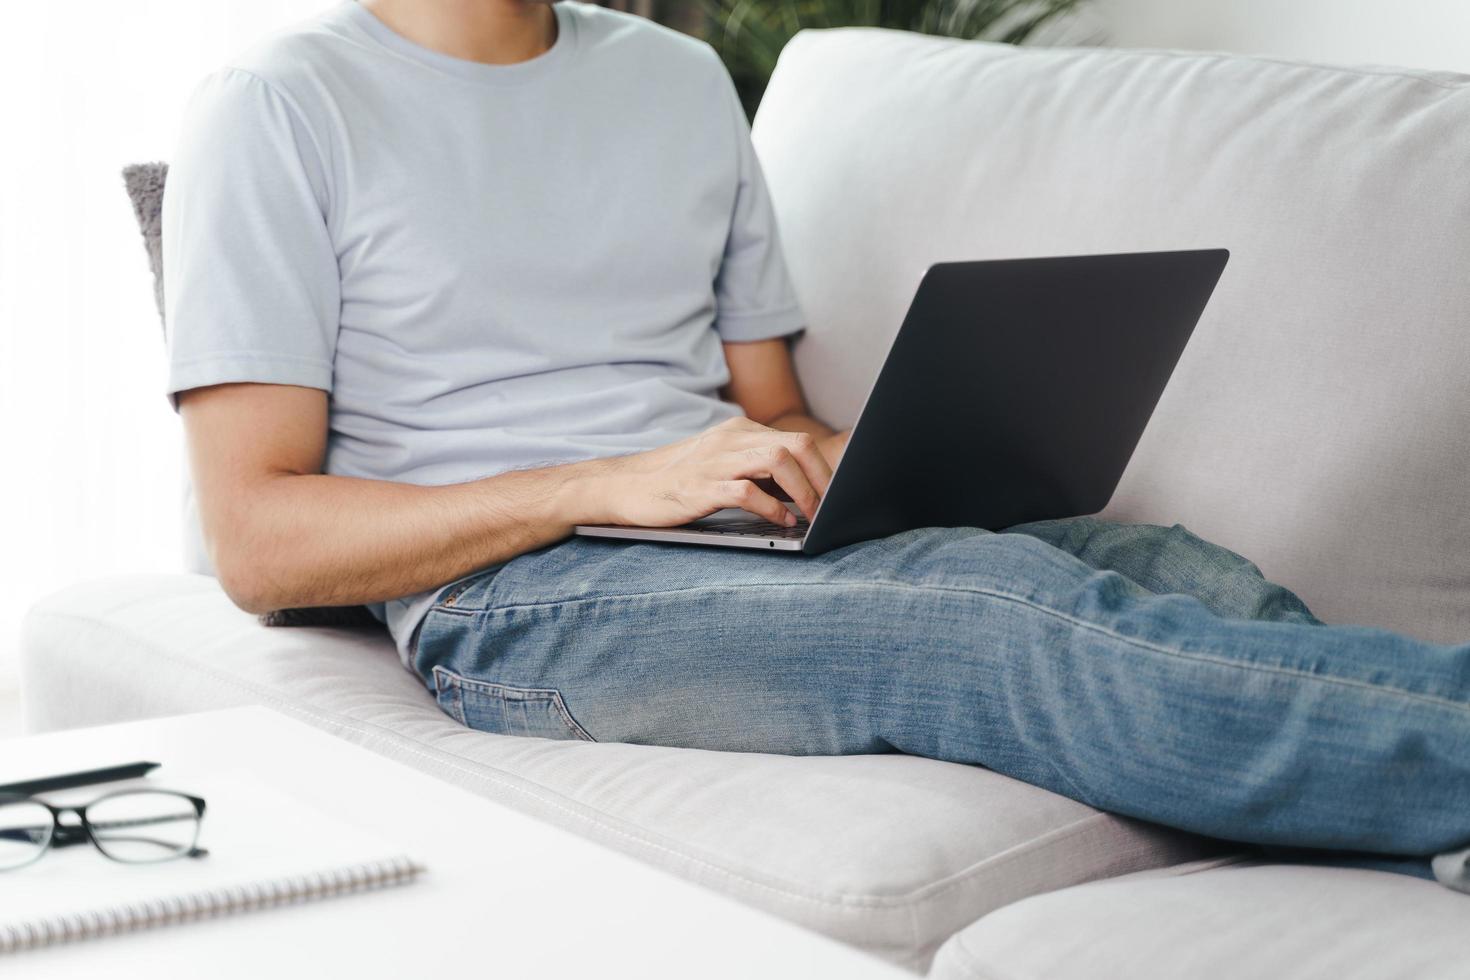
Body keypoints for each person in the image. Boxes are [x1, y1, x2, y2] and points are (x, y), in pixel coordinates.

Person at [163, 0, 1470, 889]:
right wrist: (604, 484)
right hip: (511, 599)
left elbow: (772, 410)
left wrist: (857, 452)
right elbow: (260, 542)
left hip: (728, 522)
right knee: (994, 622)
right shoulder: (280, 106)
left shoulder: (672, 81)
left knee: (1167, 567)